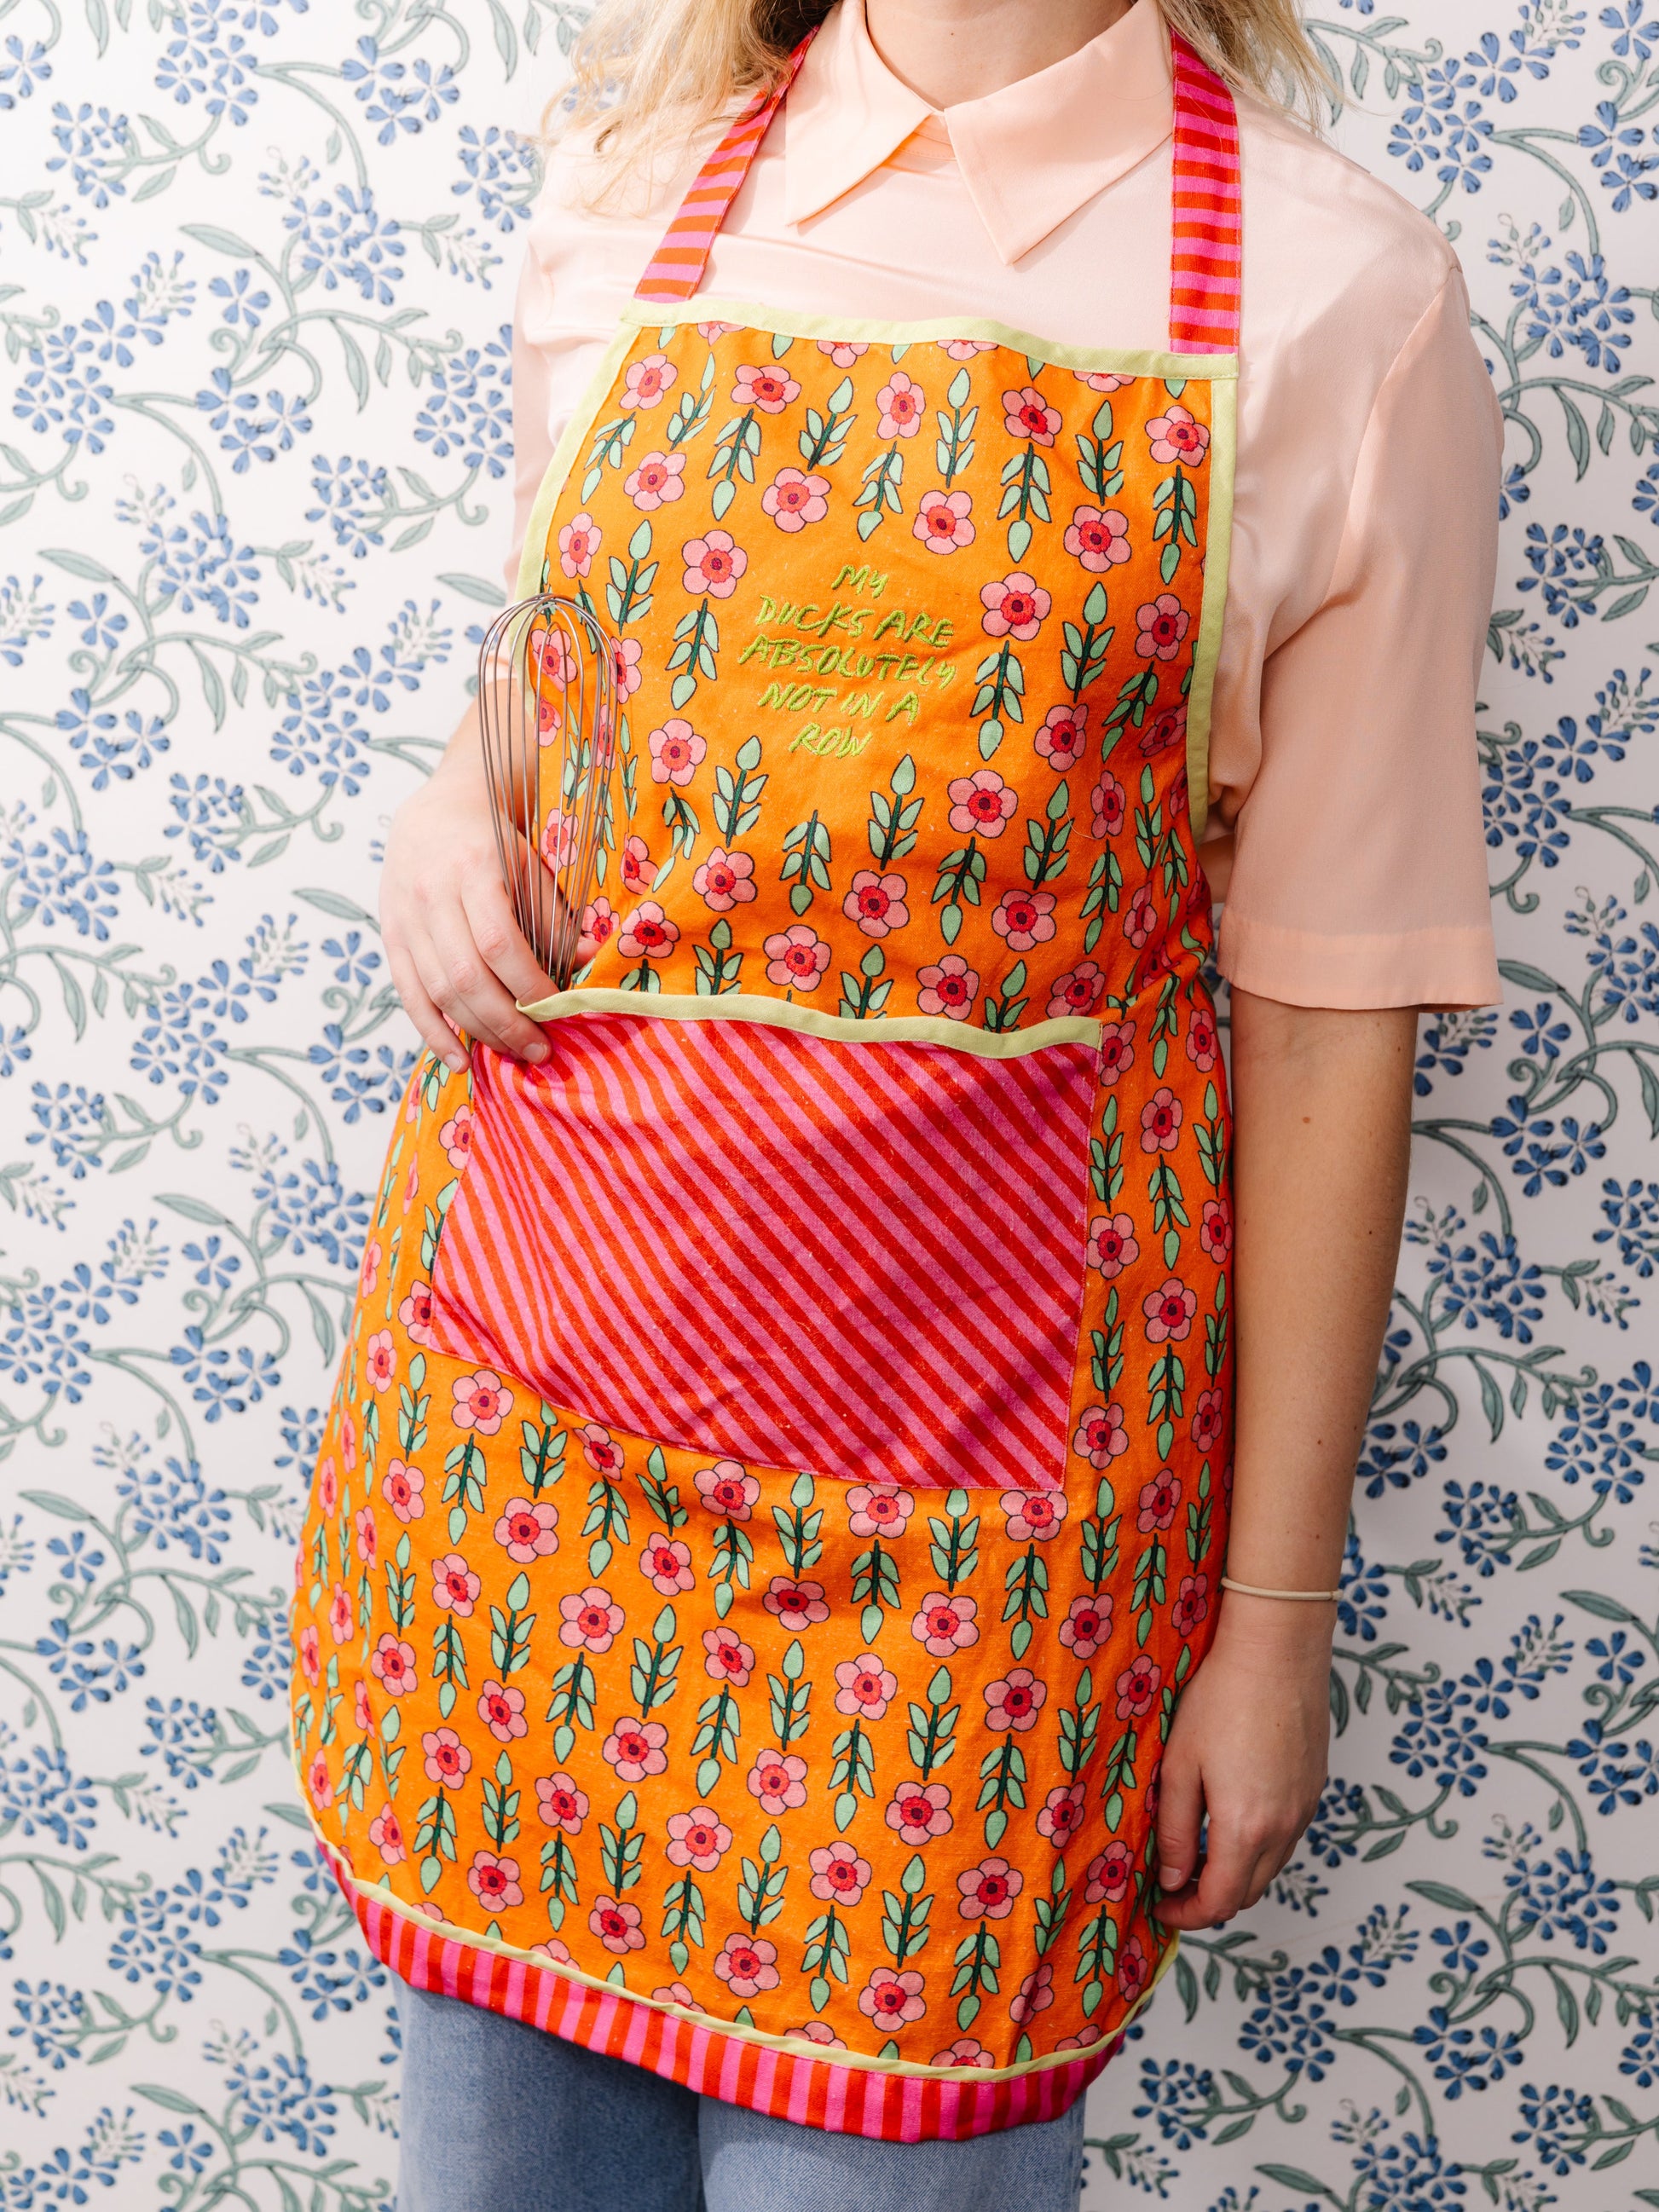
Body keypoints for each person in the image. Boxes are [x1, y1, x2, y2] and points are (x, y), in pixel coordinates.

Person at [289, 3, 1502, 2206]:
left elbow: (1330, 1016)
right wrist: (457, 798)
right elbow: (569, 664)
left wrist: (1274, 1619)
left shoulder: (1345, 296)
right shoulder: (635, 195)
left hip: (965, 1565)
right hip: (524, 1475)